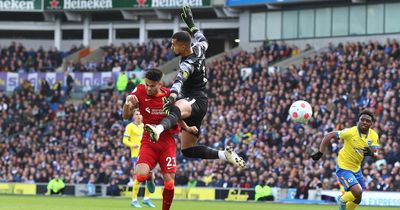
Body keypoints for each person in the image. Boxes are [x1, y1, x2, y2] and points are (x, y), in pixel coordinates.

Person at [144, 5, 245, 169]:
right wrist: (190, 23)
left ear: (183, 47)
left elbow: (179, 80)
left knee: (174, 107)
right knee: (188, 150)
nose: (171, 47)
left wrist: (171, 97)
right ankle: (223, 155)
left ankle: (158, 129)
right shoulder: (199, 48)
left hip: (195, 100)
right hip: (196, 102)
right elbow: (202, 38)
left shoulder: (188, 64)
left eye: (174, 44)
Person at [122, 68, 197, 210]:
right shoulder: (138, 91)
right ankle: (149, 176)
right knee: (140, 175)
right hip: (149, 139)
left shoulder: (169, 96)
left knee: (169, 184)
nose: (148, 88)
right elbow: (125, 116)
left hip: (167, 141)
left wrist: (187, 128)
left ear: (159, 84)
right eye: (147, 84)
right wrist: (127, 104)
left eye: (152, 85)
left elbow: (176, 115)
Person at [311, 109, 380, 210]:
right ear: (359, 120)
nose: (364, 122)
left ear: (371, 123)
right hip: (344, 167)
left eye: (367, 121)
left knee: (358, 199)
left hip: (356, 168)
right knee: (357, 192)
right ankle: (342, 199)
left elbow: (376, 154)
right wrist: (320, 152)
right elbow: (329, 135)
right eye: (362, 119)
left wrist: (372, 154)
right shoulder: (351, 132)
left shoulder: (373, 135)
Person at [122, 109, 155, 208]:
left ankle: (146, 199)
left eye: (140, 114)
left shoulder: (144, 126)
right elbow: (124, 140)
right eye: (136, 114)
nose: (139, 116)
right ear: (133, 116)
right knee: (140, 177)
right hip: (136, 156)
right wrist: (133, 145)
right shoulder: (130, 127)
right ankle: (134, 200)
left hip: (147, 155)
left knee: (150, 177)